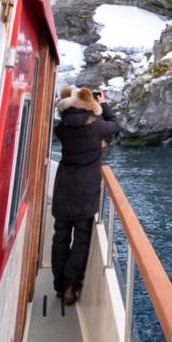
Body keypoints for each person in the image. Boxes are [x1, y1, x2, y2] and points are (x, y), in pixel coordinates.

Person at [51, 85, 120, 304]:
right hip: (86, 191)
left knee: (60, 237)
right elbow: (116, 124)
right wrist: (104, 104)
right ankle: (71, 285)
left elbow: (68, 116)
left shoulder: (61, 129)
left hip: (63, 189)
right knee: (81, 239)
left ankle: (59, 285)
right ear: (89, 105)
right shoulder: (96, 129)